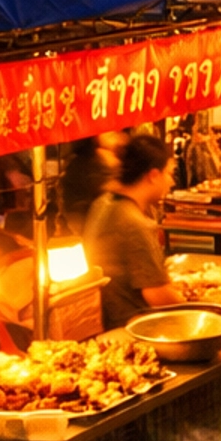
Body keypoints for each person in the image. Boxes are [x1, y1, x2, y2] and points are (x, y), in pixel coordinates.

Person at [83, 135, 182, 328]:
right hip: (131, 326)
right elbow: (157, 294)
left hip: (102, 319)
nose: (171, 182)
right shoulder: (134, 223)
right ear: (153, 176)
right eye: (169, 174)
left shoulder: (103, 203)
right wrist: (200, 307)